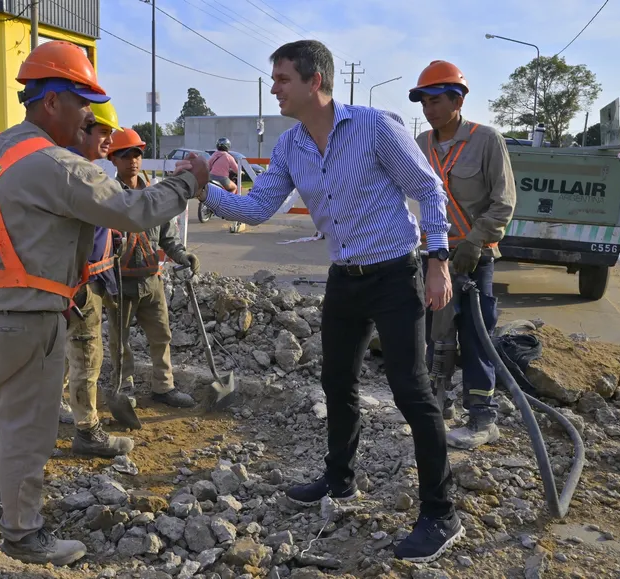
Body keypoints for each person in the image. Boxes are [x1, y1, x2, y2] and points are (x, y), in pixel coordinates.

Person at [0, 40, 209, 567]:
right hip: (25, 323)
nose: (89, 113)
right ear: (52, 102)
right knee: (29, 427)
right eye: (82, 101)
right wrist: (188, 181)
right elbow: (134, 211)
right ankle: (23, 534)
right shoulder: (59, 166)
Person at [195, 39, 462, 564]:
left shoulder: (375, 127)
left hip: (394, 274)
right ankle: (340, 480)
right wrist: (202, 188)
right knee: (336, 381)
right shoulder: (293, 147)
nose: (274, 88)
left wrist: (438, 260)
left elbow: (429, 190)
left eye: (282, 79)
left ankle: (440, 513)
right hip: (345, 277)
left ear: (315, 81)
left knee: (412, 390)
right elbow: (255, 208)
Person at [409, 60, 516, 450]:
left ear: (458, 100)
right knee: (434, 335)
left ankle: (483, 418)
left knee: (476, 336)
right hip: (433, 254)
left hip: (474, 257)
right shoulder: (419, 145)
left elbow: (504, 203)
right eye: (423, 100)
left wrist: (474, 242)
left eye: (435, 100)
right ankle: (439, 404)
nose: (428, 108)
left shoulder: (486, 140)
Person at [59, 100, 135, 458]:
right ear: (82, 130)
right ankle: (88, 431)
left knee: (62, 353)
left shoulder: (69, 169)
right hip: (80, 285)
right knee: (87, 354)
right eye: (103, 132)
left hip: (78, 281)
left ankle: (55, 408)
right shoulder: (81, 175)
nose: (109, 140)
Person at [104, 128, 200, 409]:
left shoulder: (154, 195)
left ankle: (163, 386)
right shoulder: (108, 196)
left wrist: (182, 255)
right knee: (120, 342)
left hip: (151, 279)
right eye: (124, 155)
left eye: (136, 154)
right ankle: (124, 389)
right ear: (113, 160)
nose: (132, 160)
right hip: (120, 283)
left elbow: (168, 237)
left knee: (161, 335)